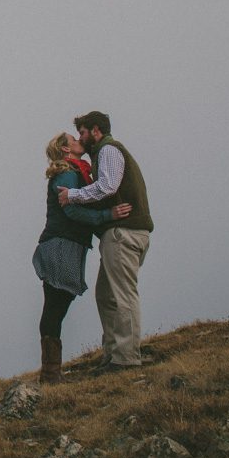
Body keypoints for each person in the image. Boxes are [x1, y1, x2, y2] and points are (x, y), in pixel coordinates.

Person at [57, 110, 154, 369]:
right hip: (121, 234)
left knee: (122, 295)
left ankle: (126, 358)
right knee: (106, 295)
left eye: (83, 132)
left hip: (125, 233)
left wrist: (73, 195)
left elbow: (109, 186)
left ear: (96, 130)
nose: (81, 137)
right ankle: (114, 353)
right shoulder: (103, 153)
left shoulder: (109, 150)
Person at [33, 131, 129, 382]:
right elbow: (72, 210)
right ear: (66, 150)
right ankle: (51, 374)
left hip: (65, 245)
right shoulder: (67, 173)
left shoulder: (75, 172)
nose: (78, 141)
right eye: (73, 140)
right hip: (61, 245)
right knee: (55, 306)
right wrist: (107, 216)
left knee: (55, 306)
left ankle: (51, 372)